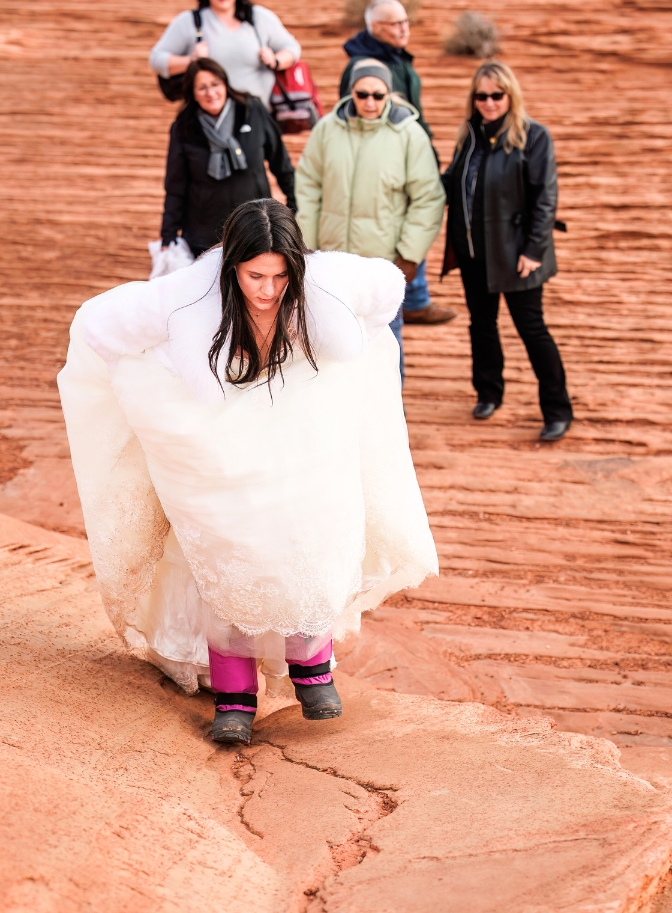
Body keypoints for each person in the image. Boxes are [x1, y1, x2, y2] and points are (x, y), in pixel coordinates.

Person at [58, 199, 438, 746]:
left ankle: (313, 670)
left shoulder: (325, 285)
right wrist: (155, 396)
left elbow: (384, 288)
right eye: (255, 275)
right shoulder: (189, 294)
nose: (267, 290)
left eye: (281, 276)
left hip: (305, 444)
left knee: (310, 538)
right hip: (225, 458)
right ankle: (236, 695)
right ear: (232, 265)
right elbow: (100, 328)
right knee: (228, 548)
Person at [441, 61, 573, 442]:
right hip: (472, 252)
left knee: (532, 329)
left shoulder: (533, 136)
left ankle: (557, 409)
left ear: (510, 95)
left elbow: (545, 199)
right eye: (481, 96)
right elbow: (452, 183)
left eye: (496, 95)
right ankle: (488, 393)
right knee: (481, 325)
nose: (489, 102)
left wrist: (534, 249)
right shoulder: (469, 136)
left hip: (517, 254)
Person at [295, 59, 445, 382]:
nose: (370, 102)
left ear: (388, 94)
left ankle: (389, 421)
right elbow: (308, 186)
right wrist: (305, 244)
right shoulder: (327, 129)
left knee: (384, 350)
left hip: (382, 266)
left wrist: (409, 254)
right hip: (331, 263)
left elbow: (428, 198)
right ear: (351, 92)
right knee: (331, 348)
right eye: (362, 94)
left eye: (378, 95)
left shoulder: (409, 135)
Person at [339, 0, 456, 327]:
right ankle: (409, 300)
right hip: (388, 165)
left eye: (405, 21)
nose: (404, 28)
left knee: (416, 219)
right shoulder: (366, 66)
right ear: (376, 28)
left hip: (410, 157)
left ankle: (415, 298)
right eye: (395, 24)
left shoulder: (395, 58)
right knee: (397, 226)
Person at [161, 58, 295, 257]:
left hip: (256, 228)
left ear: (225, 84)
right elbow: (175, 187)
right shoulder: (183, 128)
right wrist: (168, 235)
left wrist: (295, 210)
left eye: (215, 84)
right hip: (204, 237)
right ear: (192, 93)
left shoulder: (252, 110)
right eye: (202, 88)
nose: (211, 93)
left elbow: (281, 165)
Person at [149, 0, 301, 110]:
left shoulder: (259, 18)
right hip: (207, 118)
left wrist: (275, 60)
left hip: (256, 115)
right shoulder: (190, 22)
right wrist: (191, 60)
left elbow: (292, 49)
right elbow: (156, 60)